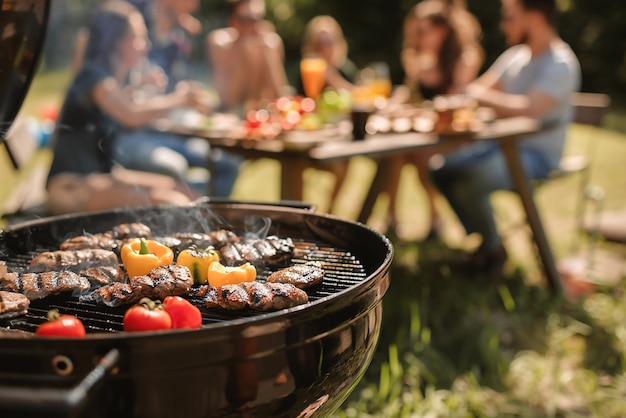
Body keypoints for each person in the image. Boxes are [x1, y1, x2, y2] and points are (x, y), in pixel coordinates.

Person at [429, 0, 581, 272]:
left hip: (536, 155)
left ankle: (491, 252)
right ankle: (491, 243)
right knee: (439, 168)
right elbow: (477, 89)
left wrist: (476, 95)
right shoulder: (515, 57)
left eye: (510, 18)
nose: (503, 25)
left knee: (472, 179)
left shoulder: (560, 63)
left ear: (534, 19)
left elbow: (530, 108)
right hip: (499, 148)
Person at [46, 1, 205, 215]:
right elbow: (131, 114)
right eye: (138, 37)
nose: (146, 45)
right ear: (116, 42)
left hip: (103, 178)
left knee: (188, 193)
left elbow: (124, 104)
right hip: (72, 186)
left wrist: (138, 87)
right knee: (173, 201)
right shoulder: (94, 77)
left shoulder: (108, 82)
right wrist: (179, 99)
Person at [385, 0, 484, 239]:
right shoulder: (421, 61)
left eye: (423, 31)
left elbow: (455, 104)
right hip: (426, 134)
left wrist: (417, 111)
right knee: (394, 153)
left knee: (420, 155)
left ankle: (436, 218)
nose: (418, 38)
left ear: (442, 31)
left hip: (455, 136)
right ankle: (392, 218)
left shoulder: (464, 59)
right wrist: (390, 105)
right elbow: (409, 94)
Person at [207, 0, 289, 114]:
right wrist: (242, 52)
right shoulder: (221, 44)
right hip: (231, 116)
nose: (254, 26)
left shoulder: (271, 43)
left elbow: (280, 96)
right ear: (233, 21)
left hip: (263, 116)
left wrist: (267, 53)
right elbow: (228, 103)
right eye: (247, 20)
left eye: (258, 19)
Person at [294, 15, 358, 95]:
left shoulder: (346, 69)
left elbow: (357, 96)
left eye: (329, 42)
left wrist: (333, 79)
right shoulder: (304, 69)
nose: (325, 49)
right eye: (320, 44)